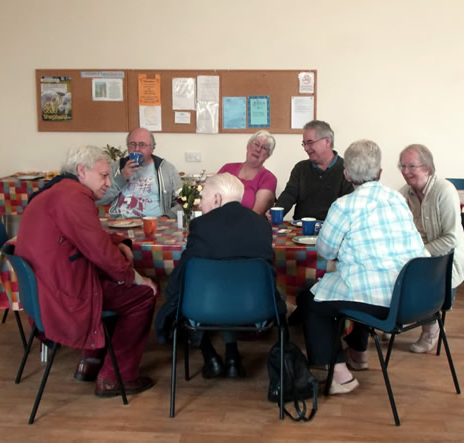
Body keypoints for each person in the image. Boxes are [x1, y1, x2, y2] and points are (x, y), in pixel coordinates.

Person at [16, 145, 158, 397]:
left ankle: (90, 362)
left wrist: (118, 243)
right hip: (62, 294)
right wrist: (137, 279)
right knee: (141, 296)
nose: (107, 182)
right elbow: (101, 253)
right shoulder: (73, 196)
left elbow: (89, 237)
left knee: (112, 280)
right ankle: (116, 377)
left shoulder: (56, 191)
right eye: (103, 175)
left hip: (43, 290)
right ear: (81, 170)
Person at [297, 140, 427, 395]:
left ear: (346, 174)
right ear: (379, 173)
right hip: (415, 295)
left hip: (381, 300)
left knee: (311, 300)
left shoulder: (344, 205)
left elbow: (325, 251)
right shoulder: (397, 199)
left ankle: (340, 375)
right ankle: (358, 353)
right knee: (353, 286)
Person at [155, 173, 285, 378]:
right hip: (257, 308)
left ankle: (210, 355)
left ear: (216, 198)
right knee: (228, 285)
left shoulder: (201, 225)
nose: (200, 206)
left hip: (205, 307)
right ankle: (232, 357)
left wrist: (170, 293)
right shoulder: (262, 225)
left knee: (185, 293)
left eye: (203, 199)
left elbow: (184, 273)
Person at [398, 144, 464, 353]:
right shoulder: (403, 194)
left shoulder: (444, 191)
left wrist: (419, 255)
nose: (406, 171)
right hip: (417, 254)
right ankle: (396, 317)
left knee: (418, 274)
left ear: (427, 168)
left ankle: (431, 328)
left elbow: (451, 238)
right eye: (402, 166)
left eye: (412, 166)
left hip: (447, 257)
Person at [272, 120, 352, 221]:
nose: (306, 148)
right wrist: (275, 213)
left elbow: (349, 207)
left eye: (310, 143)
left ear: (327, 141)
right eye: (304, 144)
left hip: (333, 230)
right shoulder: (300, 168)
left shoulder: (348, 170)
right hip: (301, 229)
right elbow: (289, 195)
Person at [96, 128, 182, 218]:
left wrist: (167, 217)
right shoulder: (114, 168)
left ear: (152, 148)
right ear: (128, 146)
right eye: (132, 144)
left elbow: (182, 202)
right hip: (121, 223)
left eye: (142, 145)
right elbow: (100, 200)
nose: (137, 149)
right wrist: (122, 178)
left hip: (155, 223)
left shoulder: (167, 169)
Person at [218, 130, 277, 215]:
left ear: (268, 155)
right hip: (218, 221)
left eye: (264, 148)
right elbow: (210, 197)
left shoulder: (268, 179)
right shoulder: (227, 169)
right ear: (248, 146)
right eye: (256, 144)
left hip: (247, 225)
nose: (258, 149)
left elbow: (255, 214)